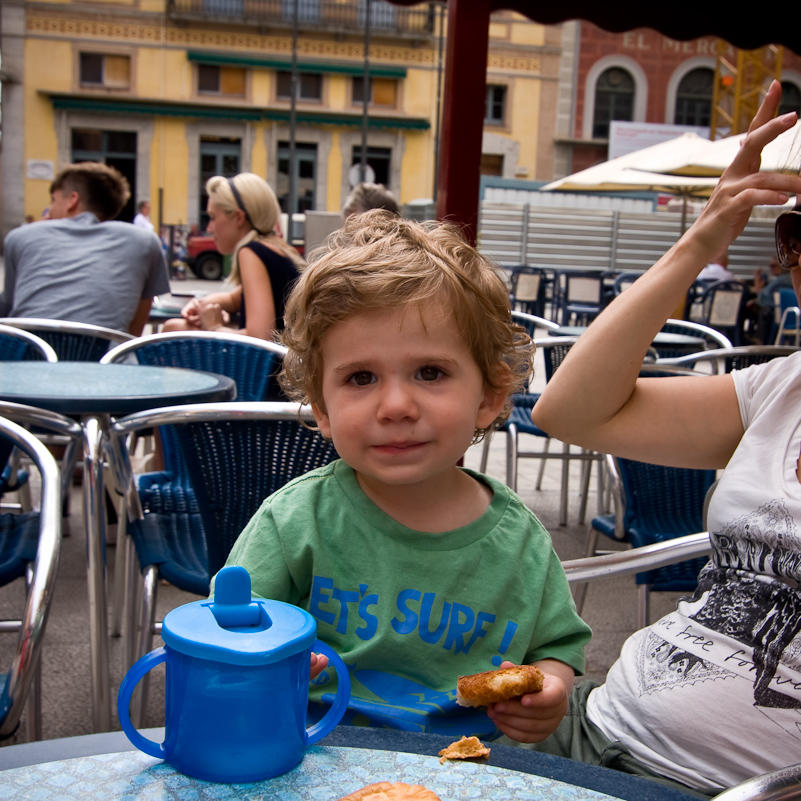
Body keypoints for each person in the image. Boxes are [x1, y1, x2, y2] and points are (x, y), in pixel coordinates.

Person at [217, 209, 591, 742]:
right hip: (315, 749)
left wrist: (550, 692)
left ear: (488, 397)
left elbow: (555, 649)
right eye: (361, 377)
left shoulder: (520, 541)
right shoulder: (295, 521)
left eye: (430, 372)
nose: (395, 405)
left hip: (476, 763)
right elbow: (227, 634)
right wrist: (260, 667)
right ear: (321, 408)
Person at [529, 81, 801, 796]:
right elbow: (569, 410)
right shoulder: (782, 387)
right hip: (598, 724)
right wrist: (699, 239)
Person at [0, 162, 169, 336]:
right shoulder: (145, 241)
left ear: (73, 200)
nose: (49, 209)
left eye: (53, 200)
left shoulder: (20, 236)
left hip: (30, 356)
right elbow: (131, 336)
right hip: (104, 359)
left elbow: (10, 307)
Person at [164, 173, 303, 340]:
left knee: (171, 329)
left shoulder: (251, 252)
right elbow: (233, 299)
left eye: (213, 217)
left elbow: (259, 338)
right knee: (174, 327)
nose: (209, 228)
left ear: (238, 217)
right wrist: (202, 305)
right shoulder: (276, 248)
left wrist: (214, 327)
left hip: (271, 365)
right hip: (290, 361)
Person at [749, 256, 794, 343]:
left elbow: (762, 297)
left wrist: (757, 281)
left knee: (762, 311)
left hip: (780, 316)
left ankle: (759, 341)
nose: (771, 268)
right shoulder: (791, 279)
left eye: (774, 266)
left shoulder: (779, 281)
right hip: (793, 316)